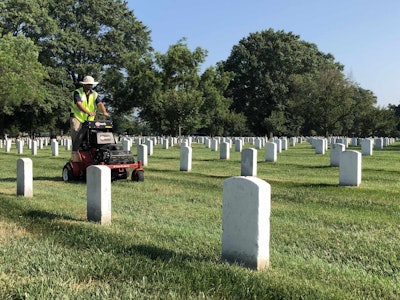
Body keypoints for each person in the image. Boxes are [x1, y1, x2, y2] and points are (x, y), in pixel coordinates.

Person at [70, 75, 109, 161]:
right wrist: (88, 112)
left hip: (89, 120)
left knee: (91, 136)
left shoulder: (95, 94)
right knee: (76, 130)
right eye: (88, 84)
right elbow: (79, 104)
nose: (90, 86)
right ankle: (74, 156)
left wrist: (104, 112)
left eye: (91, 84)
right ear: (84, 85)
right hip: (77, 117)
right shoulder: (78, 92)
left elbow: (100, 104)